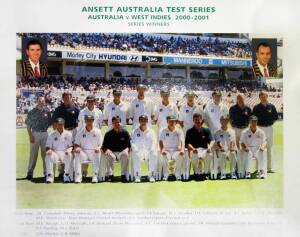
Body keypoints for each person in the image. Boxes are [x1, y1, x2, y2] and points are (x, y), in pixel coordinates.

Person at [52, 91, 80, 178]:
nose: (67, 99)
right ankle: (61, 171)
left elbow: (79, 121)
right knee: (61, 149)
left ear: (71, 98)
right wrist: (56, 130)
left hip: (73, 131)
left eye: (68, 97)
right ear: (63, 98)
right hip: (62, 132)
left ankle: (74, 170)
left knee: (73, 150)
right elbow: (54, 121)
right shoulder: (58, 109)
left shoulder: (75, 108)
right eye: (65, 97)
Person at [25, 96, 52, 180]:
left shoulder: (47, 112)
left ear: (45, 102)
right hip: (35, 134)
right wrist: (30, 135)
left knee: (45, 155)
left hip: (44, 134)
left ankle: (46, 172)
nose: (41, 102)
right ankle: (30, 172)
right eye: (40, 101)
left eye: (43, 101)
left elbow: (50, 123)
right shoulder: (32, 112)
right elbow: (28, 126)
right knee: (33, 154)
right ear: (37, 101)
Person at [252, 91, 278, 173]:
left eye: (265, 96)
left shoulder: (272, 106)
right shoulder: (256, 107)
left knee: (269, 148)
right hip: (260, 128)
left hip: (269, 128)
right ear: (259, 97)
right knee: (259, 148)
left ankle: (269, 168)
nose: (263, 98)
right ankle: (258, 168)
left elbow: (275, 118)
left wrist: (269, 125)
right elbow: (253, 119)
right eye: (262, 97)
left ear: (267, 96)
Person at [73, 115, 103, 183]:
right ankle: (78, 177)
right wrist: (77, 148)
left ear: (93, 121)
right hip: (84, 153)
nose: (89, 122)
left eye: (91, 120)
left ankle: (95, 176)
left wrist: (98, 148)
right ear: (85, 121)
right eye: (87, 120)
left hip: (94, 152)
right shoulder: (80, 132)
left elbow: (101, 144)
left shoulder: (98, 131)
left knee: (97, 152)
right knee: (77, 153)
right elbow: (76, 144)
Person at [185, 113, 214, 181]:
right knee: (194, 155)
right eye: (196, 120)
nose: (197, 121)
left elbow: (212, 141)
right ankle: (196, 173)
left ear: (201, 120)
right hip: (194, 150)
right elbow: (187, 143)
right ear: (193, 120)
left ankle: (205, 173)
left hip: (204, 150)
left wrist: (209, 147)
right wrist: (193, 149)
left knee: (209, 154)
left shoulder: (207, 130)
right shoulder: (189, 131)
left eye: (199, 119)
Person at [102, 116, 131, 182]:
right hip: (112, 153)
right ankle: (110, 175)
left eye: (118, 122)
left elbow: (129, 145)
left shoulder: (125, 133)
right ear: (112, 123)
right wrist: (107, 150)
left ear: (120, 123)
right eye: (115, 122)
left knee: (125, 155)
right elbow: (104, 146)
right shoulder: (108, 134)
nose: (116, 124)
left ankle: (123, 175)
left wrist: (126, 150)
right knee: (108, 154)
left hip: (121, 153)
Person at [45, 118, 73, 183]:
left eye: (61, 124)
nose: (60, 126)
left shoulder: (68, 134)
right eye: (58, 124)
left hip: (65, 153)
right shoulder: (51, 134)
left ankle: (66, 176)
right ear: (56, 125)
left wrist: (69, 149)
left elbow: (72, 145)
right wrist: (49, 150)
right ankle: (50, 177)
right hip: (55, 153)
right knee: (48, 156)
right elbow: (47, 146)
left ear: (64, 124)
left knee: (69, 154)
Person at [131, 115, 158, 183]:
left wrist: (152, 149)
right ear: (139, 121)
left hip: (148, 152)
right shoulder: (134, 131)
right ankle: (137, 176)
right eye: (141, 120)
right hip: (139, 151)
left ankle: (151, 176)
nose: (143, 122)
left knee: (153, 154)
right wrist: (135, 149)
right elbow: (132, 142)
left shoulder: (151, 131)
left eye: (145, 120)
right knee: (136, 154)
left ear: (147, 121)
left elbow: (154, 141)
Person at [159, 115, 185, 181]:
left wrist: (182, 150)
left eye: (173, 121)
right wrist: (162, 150)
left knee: (180, 155)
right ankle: (166, 175)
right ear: (167, 122)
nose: (172, 123)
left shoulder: (179, 131)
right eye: (170, 121)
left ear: (175, 122)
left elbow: (182, 141)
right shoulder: (163, 131)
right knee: (164, 156)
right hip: (167, 150)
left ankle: (177, 175)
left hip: (176, 150)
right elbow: (160, 141)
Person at [213, 115, 238, 180]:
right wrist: (222, 148)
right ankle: (223, 173)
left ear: (228, 121)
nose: (224, 122)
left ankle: (233, 172)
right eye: (223, 120)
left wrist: (231, 149)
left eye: (226, 120)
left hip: (229, 149)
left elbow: (232, 141)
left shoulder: (232, 131)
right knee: (223, 153)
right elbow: (218, 142)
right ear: (220, 121)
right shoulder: (217, 132)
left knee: (233, 153)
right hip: (221, 150)